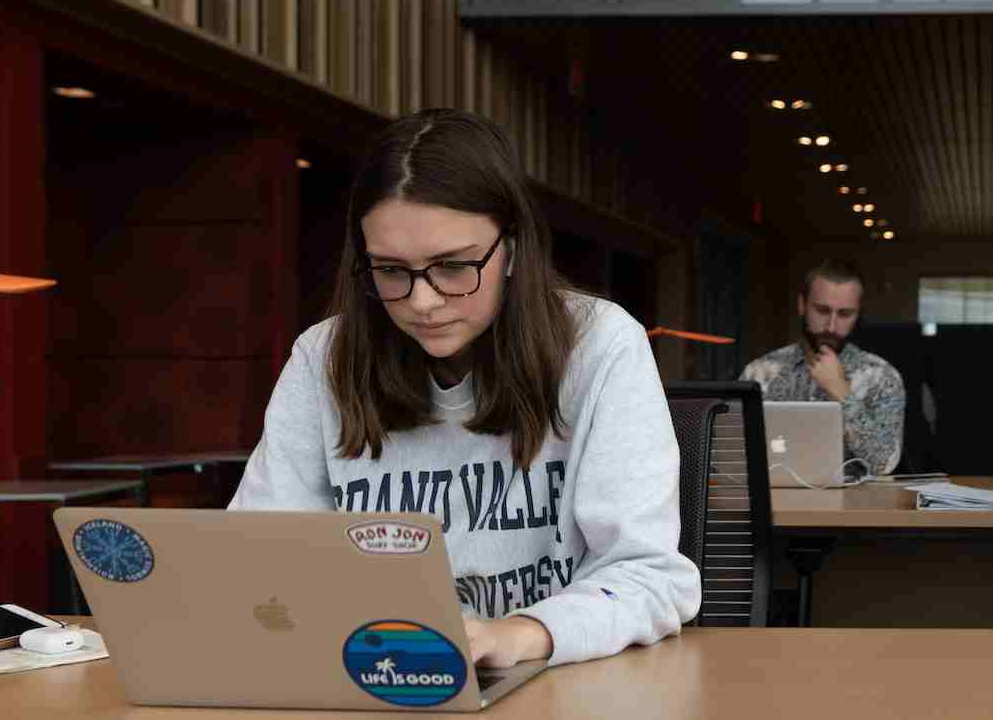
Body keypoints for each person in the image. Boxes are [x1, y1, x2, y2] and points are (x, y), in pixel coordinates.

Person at [229, 109, 701, 668]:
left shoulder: (600, 346)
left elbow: (648, 576)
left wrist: (520, 634)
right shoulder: (323, 358)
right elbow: (255, 557)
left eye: (453, 267)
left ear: (513, 248)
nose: (422, 301)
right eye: (390, 270)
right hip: (373, 674)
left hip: (556, 683)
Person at [740, 260, 905, 476]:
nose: (831, 327)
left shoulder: (882, 377)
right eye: (822, 310)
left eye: (845, 314)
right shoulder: (759, 373)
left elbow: (884, 464)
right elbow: (732, 453)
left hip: (853, 507)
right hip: (775, 503)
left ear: (858, 315)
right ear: (802, 305)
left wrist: (841, 393)